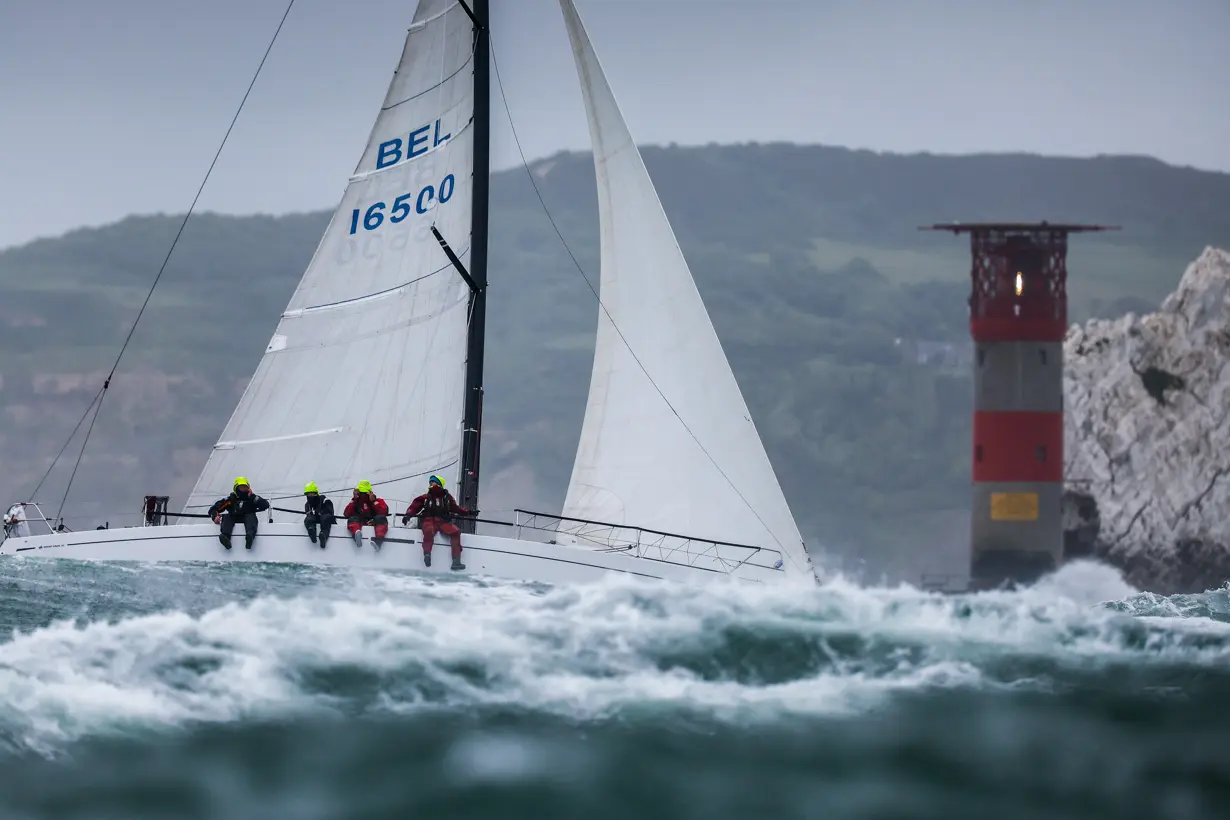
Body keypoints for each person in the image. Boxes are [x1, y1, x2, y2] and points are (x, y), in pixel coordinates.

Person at [401, 475, 474, 570]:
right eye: (430, 482)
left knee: (456, 532)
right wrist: (408, 515)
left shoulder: (447, 498)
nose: (430, 483)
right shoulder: (426, 497)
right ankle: (427, 555)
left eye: (433, 481)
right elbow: (414, 507)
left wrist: (468, 512)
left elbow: (456, 508)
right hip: (429, 520)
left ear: (439, 484)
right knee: (428, 531)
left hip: (442, 522)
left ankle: (456, 561)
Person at [207, 476, 270, 550]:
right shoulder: (230, 500)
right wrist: (215, 517)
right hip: (233, 518)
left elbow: (265, 505)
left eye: (245, 487)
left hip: (248, 520)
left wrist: (253, 497)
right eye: (241, 487)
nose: (244, 489)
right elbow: (213, 509)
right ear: (236, 488)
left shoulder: (252, 498)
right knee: (227, 516)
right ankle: (225, 538)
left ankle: (250, 537)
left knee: (251, 516)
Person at [344, 480, 389, 547]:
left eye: (366, 493)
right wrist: (354, 499)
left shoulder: (377, 501)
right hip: (359, 523)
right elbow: (346, 513)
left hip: (374, 524)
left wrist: (374, 501)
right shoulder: (355, 502)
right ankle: (356, 535)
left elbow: (384, 511)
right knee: (353, 519)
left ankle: (378, 541)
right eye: (361, 493)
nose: (363, 495)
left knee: (381, 518)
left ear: (371, 493)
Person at [303, 482, 335, 549]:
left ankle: (323, 535)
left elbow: (330, 513)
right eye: (308, 494)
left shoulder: (324, 500)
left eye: (312, 493)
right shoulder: (307, 505)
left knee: (325, 517)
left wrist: (319, 512)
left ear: (316, 493)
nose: (310, 496)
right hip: (316, 521)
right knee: (308, 519)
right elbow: (309, 515)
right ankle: (312, 532)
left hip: (326, 521)